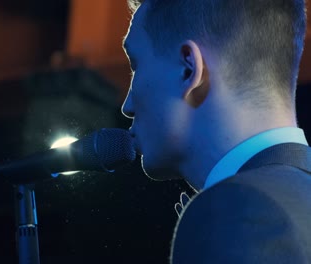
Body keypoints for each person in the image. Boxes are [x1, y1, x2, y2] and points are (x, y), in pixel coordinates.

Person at [121, 0, 311, 263]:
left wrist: (217, 221)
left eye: (135, 65)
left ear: (189, 69)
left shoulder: (239, 213)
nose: (127, 105)